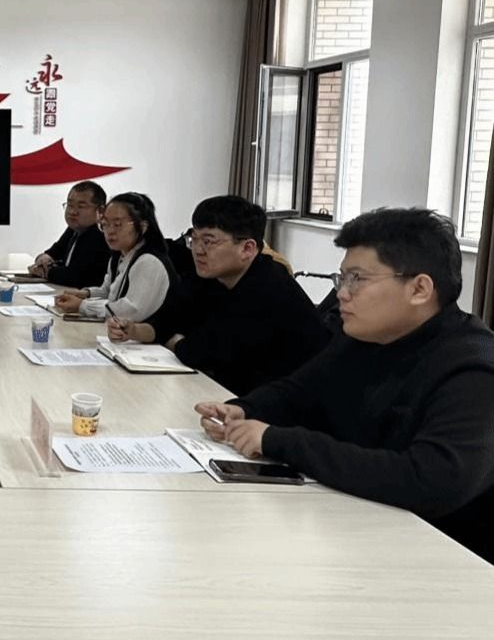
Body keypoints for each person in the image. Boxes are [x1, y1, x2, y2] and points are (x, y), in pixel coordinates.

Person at [195, 208, 494, 564]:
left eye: (357, 279)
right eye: (342, 278)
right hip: (356, 526)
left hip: (441, 559)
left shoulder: (475, 367)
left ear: (419, 289)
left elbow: (430, 480)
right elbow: (298, 391)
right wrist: (243, 409)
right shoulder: (363, 337)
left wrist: (277, 439)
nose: (342, 294)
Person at [109, 196, 328, 396]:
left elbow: (201, 352)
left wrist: (179, 343)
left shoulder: (268, 287)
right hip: (232, 392)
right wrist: (134, 330)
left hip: (287, 406)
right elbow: (170, 320)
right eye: (194, 238)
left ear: (247, 249)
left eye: (209, 241)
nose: (198, 250)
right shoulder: (210, 277)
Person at [54, 192, 175, 321]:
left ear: (142, 226)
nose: (110, 231)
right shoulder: (119, 256)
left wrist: (82, 306)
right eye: (105, 224)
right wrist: (84, 294)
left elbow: (130, 311)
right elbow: (109, 292)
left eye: (117, 224)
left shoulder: (149, 262)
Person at [29, 180, 111, 288]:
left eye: (81, 206)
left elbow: (77, 276)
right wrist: (43, 259)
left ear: (100, 211)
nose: (72, 212)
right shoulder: (74, 229)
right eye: (70, 205)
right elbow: (53, 253)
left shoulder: (101, 234)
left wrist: (47, 271)